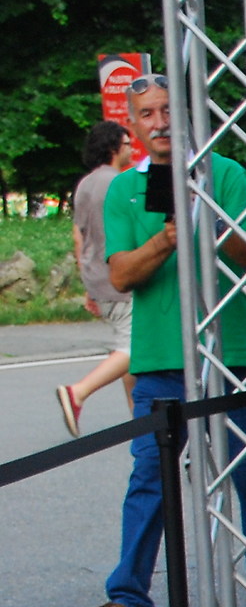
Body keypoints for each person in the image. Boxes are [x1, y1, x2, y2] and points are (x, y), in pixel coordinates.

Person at [82, 76, 246, 607]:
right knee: (151, 476)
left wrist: (211, 219)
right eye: (148, 113)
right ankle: (127, 601)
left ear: (189, 115)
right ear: (135, 126)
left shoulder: (229, 175)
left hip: (231, 350)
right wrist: (169, 238)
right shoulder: (123, 190)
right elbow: (120, 274)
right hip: (161, 356)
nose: (161, 121)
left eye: (170, 110)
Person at [57, 121, 137, 437]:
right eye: (127, 143)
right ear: (113, 147)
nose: (132, 148)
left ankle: (139, 416)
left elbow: (80, 237)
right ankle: (78, 392)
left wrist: (88, 285)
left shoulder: (85, 185)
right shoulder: (119, 184)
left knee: (125, 345)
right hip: (119, 278)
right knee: (136, 345)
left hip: (96, 280)